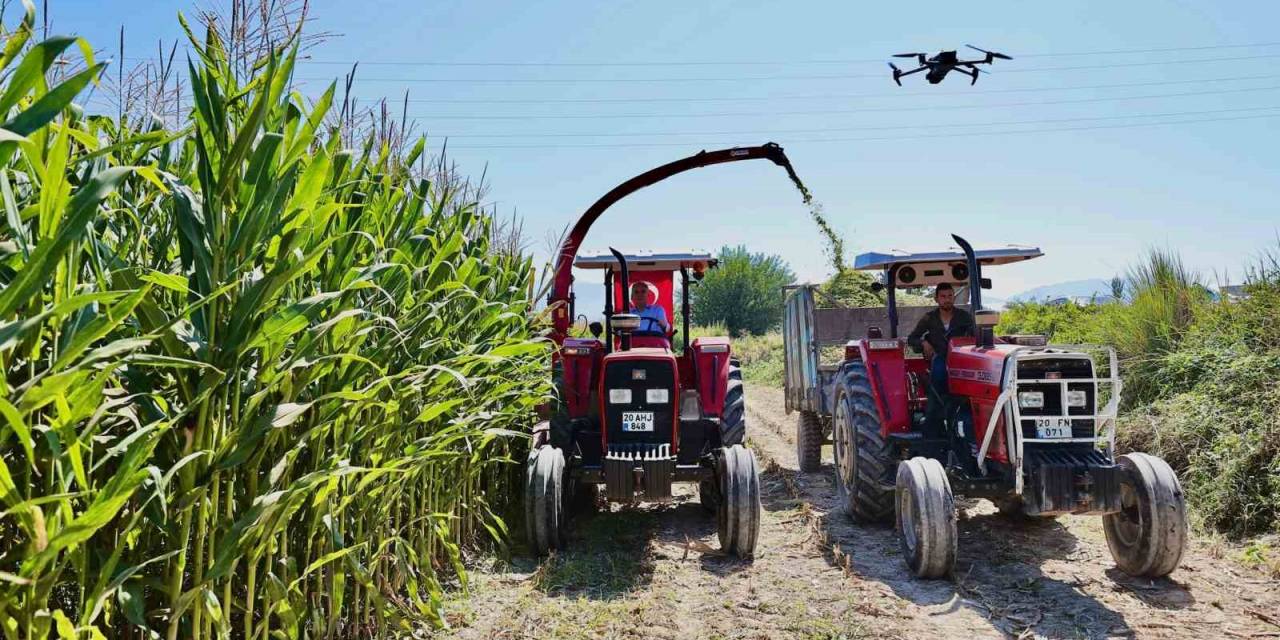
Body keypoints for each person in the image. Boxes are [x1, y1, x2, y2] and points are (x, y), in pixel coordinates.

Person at [907, 283, 975, 432]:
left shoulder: (964, 317)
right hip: (940, 358)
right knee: (939, 370)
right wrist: (924, 343)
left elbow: (975, 335)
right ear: (937, 299)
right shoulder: (929, 318)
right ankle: (936, 413)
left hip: (961, 359)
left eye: (950, 296)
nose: (947, 300)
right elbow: (912, 338)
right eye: (943, 297)